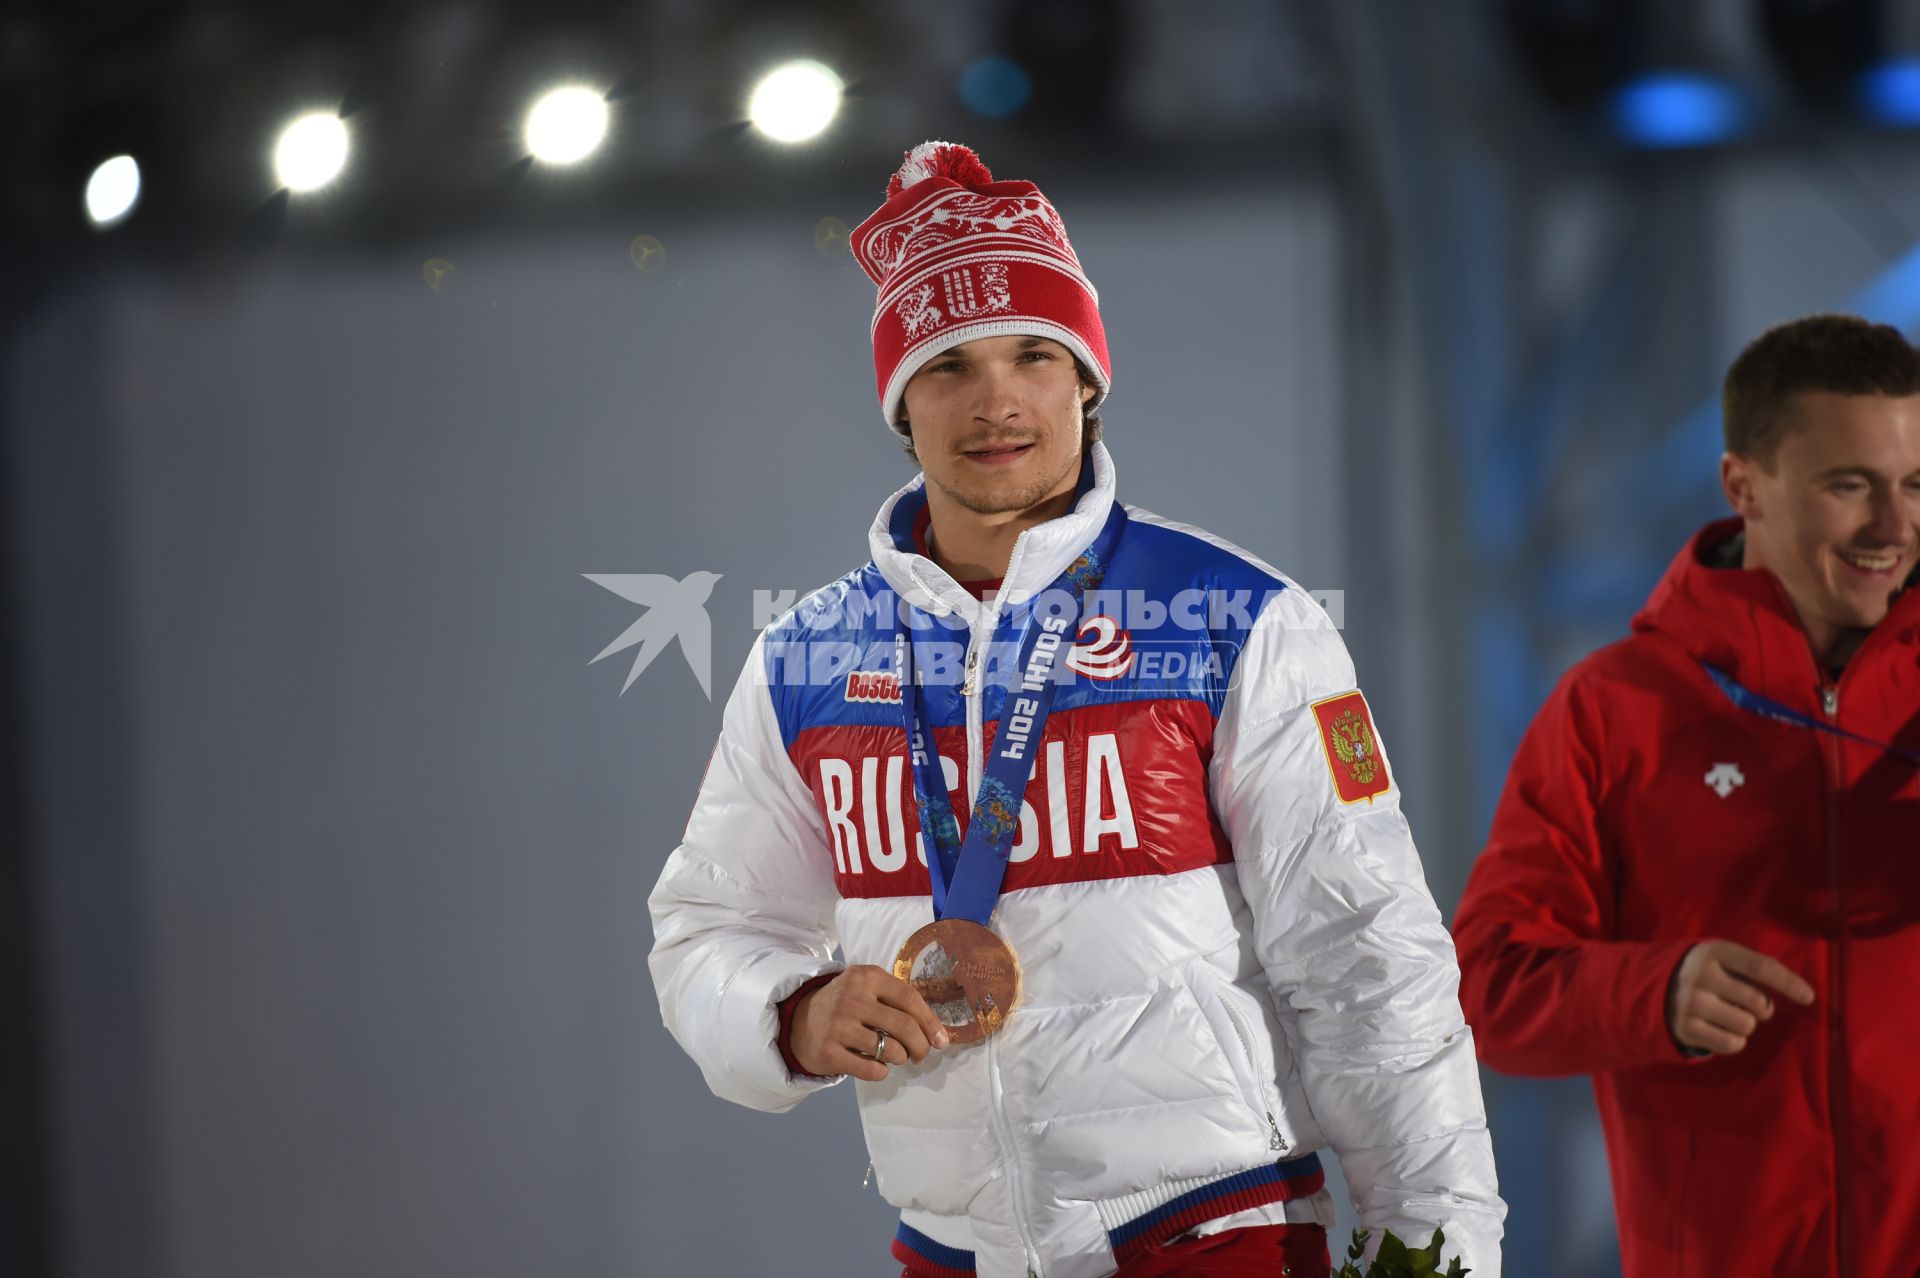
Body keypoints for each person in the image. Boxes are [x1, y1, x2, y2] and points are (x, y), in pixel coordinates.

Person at [649, 141, 1505, 1278]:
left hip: (1212, 1235)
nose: (997, 397)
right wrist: (789, 1015)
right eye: (950, 366)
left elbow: (1366, 951)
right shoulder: (806, 658)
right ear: (902, 405)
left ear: (1087, 383)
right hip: (951, 1252)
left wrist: (1433, 1244)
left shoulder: (1236, 617)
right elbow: (710, 928)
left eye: (1034, 355)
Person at [1451, 313, 1920, 1277]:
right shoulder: (1617, 709)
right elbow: (1487, 988)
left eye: (1916, 484)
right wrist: (1653, 994)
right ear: (1742, 485)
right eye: (1850, 486)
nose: (1895, 526)